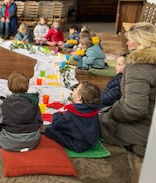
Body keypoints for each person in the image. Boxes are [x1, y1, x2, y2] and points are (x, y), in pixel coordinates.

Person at [99, 22, 156, 157]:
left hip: (144, 128)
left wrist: (112, 113)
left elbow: (134, 109)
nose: (127, 43)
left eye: (129, 40)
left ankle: (136, 145)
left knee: (91, 122)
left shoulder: (139, 67)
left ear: (138, 42)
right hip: (151, 122)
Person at [0, 71, 43, 151]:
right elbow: (40, 123)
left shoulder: (4, 106)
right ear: (27, 87)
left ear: (9, 86)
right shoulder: (34, 104)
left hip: (10, 144)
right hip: (32, 142)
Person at [45, 81, 101, 152]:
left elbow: (58, 125)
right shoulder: (93, 110)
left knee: (49, 129)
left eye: (76, 89)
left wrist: (57, 115)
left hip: (77, 145)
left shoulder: (72, 113)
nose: (74, 89)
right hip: (91, 141)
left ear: (79, 97)